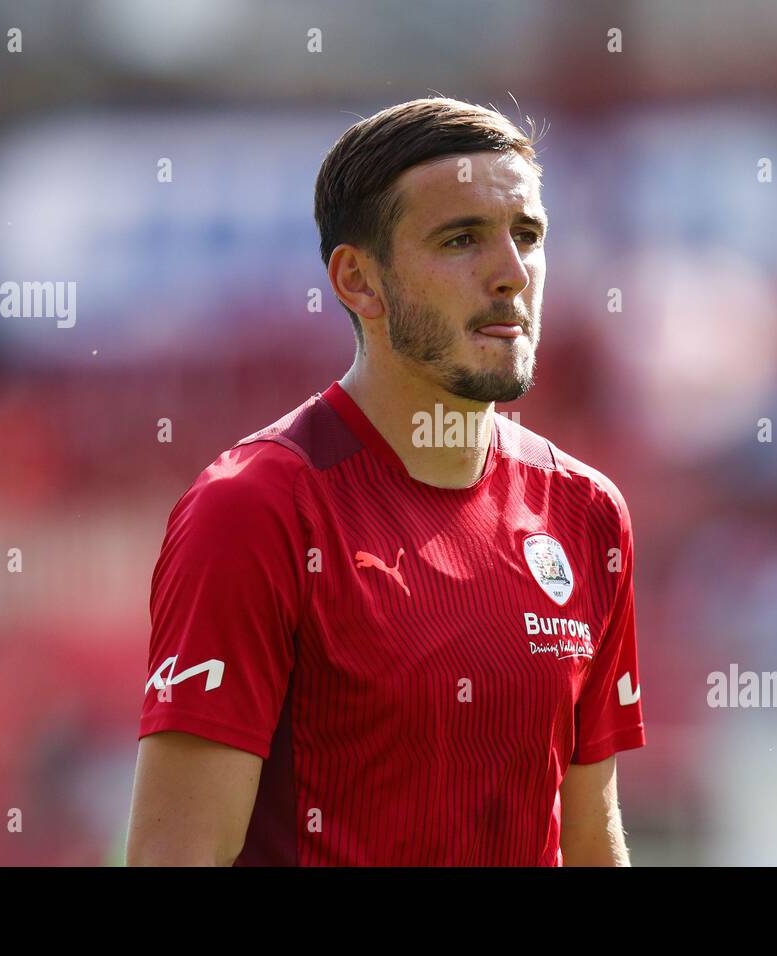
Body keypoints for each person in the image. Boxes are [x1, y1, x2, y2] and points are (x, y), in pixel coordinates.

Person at [126, 97, 644, 866]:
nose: (511, 273)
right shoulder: (256, 511)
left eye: (527, 235)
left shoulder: (587, 514)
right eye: (462, 239)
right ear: (359, 281)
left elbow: (591, 840)